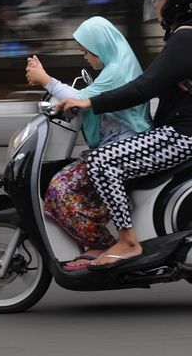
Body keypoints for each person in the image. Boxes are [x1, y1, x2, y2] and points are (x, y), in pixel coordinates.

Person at [58, 0, 192, 268]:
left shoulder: (187, 40)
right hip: (187, 131)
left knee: (101, 160)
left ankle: (127, 241)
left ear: (179, 0)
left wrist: (90, 103)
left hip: (184, 135)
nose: (156, 3)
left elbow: (143, 88)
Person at [25, 16, 151, 271]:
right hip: (118, 144)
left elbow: (81, 99)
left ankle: (100, 244)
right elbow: (87, 98)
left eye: (86, 51)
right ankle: (98, 242)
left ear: (101, 45)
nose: (85, 56)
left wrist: (45, 79)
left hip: (124, 148)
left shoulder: (117, 72)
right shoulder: (119, 65)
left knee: (59, 188)